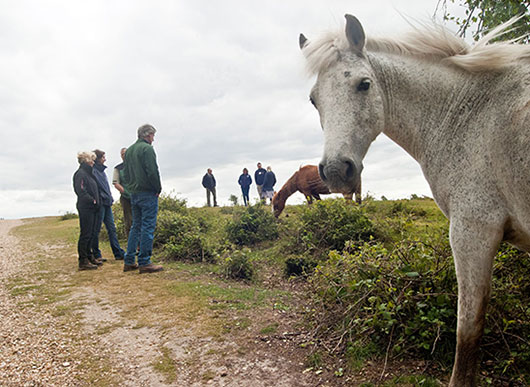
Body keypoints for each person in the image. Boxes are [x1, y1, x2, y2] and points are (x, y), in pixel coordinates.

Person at [122, 124, 164, 274]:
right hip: (147, 193)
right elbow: (153, 171)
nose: (153, 139)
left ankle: (129, 261)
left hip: (134, 193)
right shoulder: (147, 149)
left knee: (136, 226)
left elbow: (125, 174)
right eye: (153, 135)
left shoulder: (130, 151)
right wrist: (157, 188)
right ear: (148, 135)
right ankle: (144, 262)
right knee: (147, 226)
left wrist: (131, 189)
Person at [91, 149, 126, 261]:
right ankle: (96, 254)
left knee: (112, 229)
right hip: (100, 204)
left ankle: (118, 253)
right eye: (103, 157)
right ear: (97, 159)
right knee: (96, 229)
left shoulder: (101, 171)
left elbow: (106, 188)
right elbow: (96, 189)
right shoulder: (94, 171)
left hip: (107, 203)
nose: (105, 159)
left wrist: (110, 198)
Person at [73, 151, 102, 270]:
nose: (93, 162)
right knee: (85, 233)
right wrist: (92, 200)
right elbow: (80, 190)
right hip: (86, 207)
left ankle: (89, 256)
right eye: (92, 159)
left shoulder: (89, 174)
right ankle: (83, 260)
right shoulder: (80, 174)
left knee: (91, 233)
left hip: (93, 208)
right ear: (86, 161)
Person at [112, 147, 132, 238]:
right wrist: (126, 192)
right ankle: (132, 245)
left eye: (125, 153)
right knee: (129, 221)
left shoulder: (136, 165)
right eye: (122, 154)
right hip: (126, 198)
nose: (124, 156)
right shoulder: (118, 168)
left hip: (138, 196)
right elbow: (116, 183)